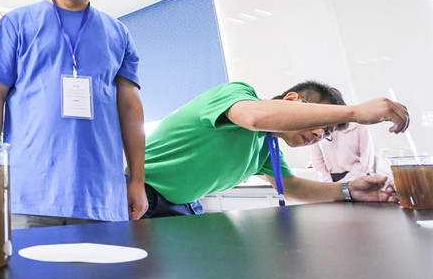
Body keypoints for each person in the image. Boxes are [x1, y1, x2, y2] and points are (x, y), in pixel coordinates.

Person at [0, 0, 147, 228]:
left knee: (104, 262)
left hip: (101, 194)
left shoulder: (118, 34)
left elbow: (131, 109)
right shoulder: (17, 23)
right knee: (26, 261)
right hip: (30, 193)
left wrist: (137, 179)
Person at [142, 81, 409, 218]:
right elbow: (253, 117)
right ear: (292, 99)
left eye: (327, 133)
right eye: (319, 121)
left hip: (184, 205)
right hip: (139, 191)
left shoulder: (266, 147)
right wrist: (355, 112)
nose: (319, 135)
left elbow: (292, 187)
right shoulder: (236, 94)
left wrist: (349, 191)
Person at [310, 122, 374, 182]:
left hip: (357, 178)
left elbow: (365, 163)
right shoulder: (318, 130)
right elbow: (318, 162)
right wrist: (328, 182)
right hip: (331, 180)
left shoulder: (359, 128)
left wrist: (343, 183)